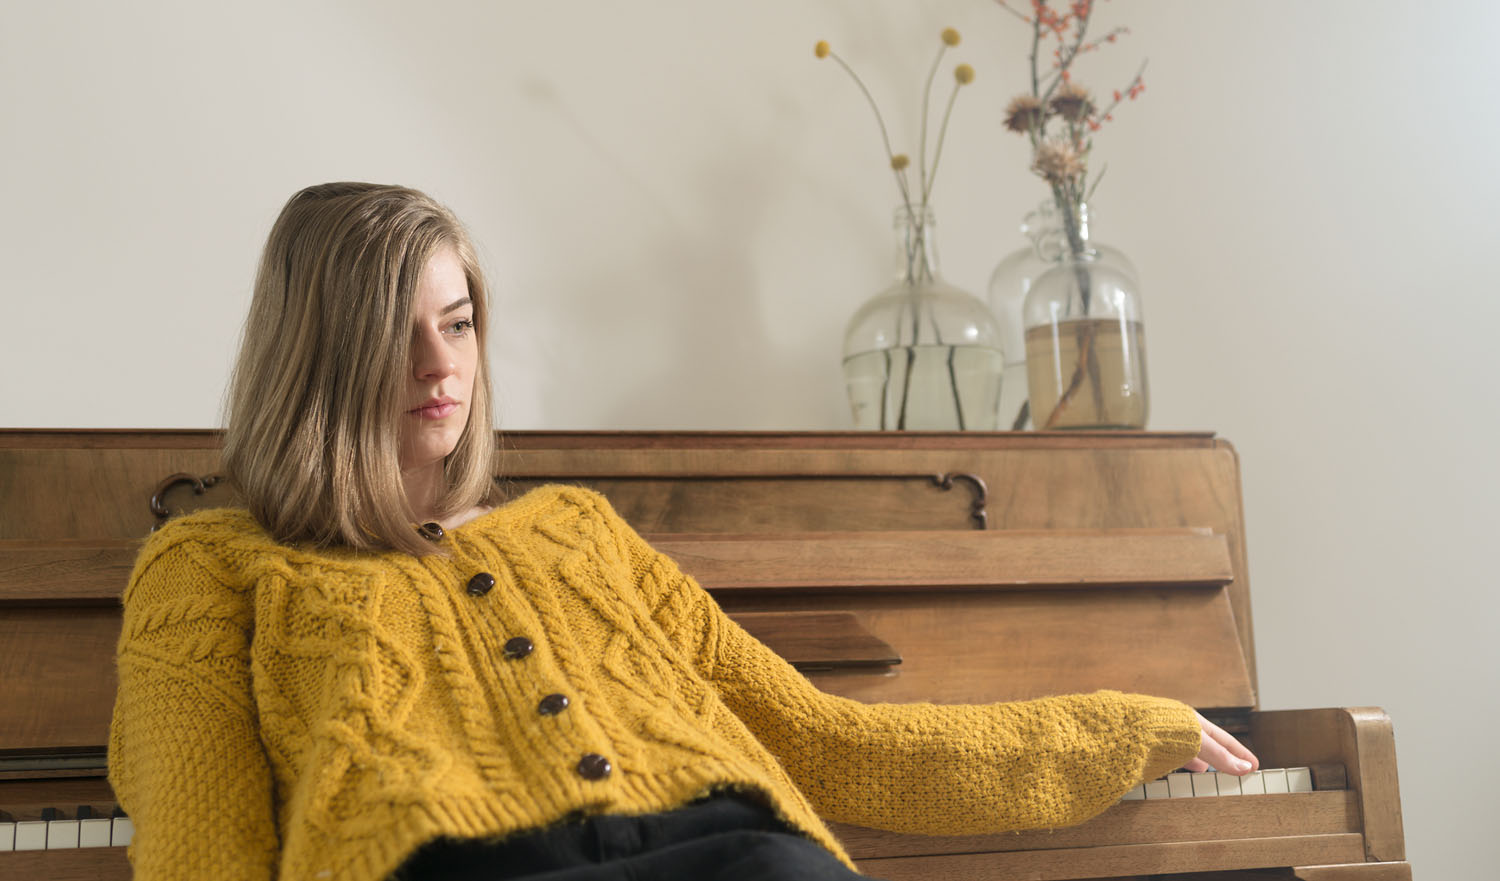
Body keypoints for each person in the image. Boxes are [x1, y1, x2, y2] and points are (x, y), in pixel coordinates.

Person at [107, 182, 1258, 881]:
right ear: (319, 354)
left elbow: (826, 741)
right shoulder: (211, 566)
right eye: (398, 334)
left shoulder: (579, 536)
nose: (442, 365)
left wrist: (1120, 725)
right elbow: (199, 848)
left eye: (458, 322)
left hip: (740, 854)